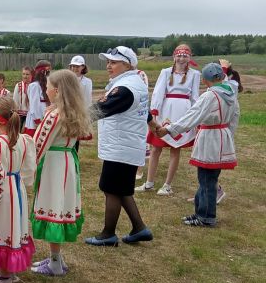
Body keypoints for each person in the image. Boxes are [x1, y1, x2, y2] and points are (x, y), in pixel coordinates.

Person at [85, 46, 158, 246]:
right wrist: (154, 125)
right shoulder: (135, 83)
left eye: (114, 62)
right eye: (108, 62)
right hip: (126, 145)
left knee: (110, 189)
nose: (109, 66)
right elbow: (144, 112)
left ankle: (108, 234)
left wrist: (67, 117)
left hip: (120, 146)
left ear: (128, 64)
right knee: (122, 190)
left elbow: (99, 109)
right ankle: (140, 228)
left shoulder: (125, 89)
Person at [155, 62, 239, 227]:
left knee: (206, 179)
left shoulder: (210, 96)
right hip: (222, 136)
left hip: (211, 138)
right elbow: (235, 117)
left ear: (205, 80)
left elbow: (192, 116)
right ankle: (201, 212)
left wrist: (170, 129)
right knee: (209, 178)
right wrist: (229, 135)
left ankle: (206, 217)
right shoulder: (230, 93)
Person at [30, 70, 92, 274]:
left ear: (56, 91)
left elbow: (38, 144)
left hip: (54, 165)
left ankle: (55, 262)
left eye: (47, 86)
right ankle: (55, 258)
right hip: (66, 161)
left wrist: (27, 167)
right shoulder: (71, 112)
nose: (45, 90)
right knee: (58, 204)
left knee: (52, 205)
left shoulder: (54, 115)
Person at [0, 97, 36, 283]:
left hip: (2, 191)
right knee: (15, 225)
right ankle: (10, 272)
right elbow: (30, 168)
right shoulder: (23, 140)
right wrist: (24, 182)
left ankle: (4, 277)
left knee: (4, 227)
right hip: (17, 187)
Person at [137, 44, 201, 196]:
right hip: (165, 112)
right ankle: (149, 183)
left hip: (183, 113)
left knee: (175, 148)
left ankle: (167, 185)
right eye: (179, 55)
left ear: (189, 57)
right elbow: (159, 92)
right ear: (174, 56)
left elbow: (195, 97)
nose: (181, 58)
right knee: (155, 147)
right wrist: (154, 112)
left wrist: (195, 117)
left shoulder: (195, 74)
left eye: (185, 55)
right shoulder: (165, 72)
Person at [24, 60, 52, 136]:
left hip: (45, 117)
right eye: (47, 72)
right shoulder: (35, 86)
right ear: (42, 72)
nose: (49, 74)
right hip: (36, 121)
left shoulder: (47, 85)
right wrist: (37, 120)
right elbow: (34, 105)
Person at [13, 66, 32, 131]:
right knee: (18, 130)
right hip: (20, 112)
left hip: (31, 113)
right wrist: (15, 111)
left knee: (28, 130)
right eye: (23, 74)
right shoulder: (19, 85)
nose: (25, 76)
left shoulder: (34, 85)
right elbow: (15, 99)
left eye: (27, 74)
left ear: (31, 75)